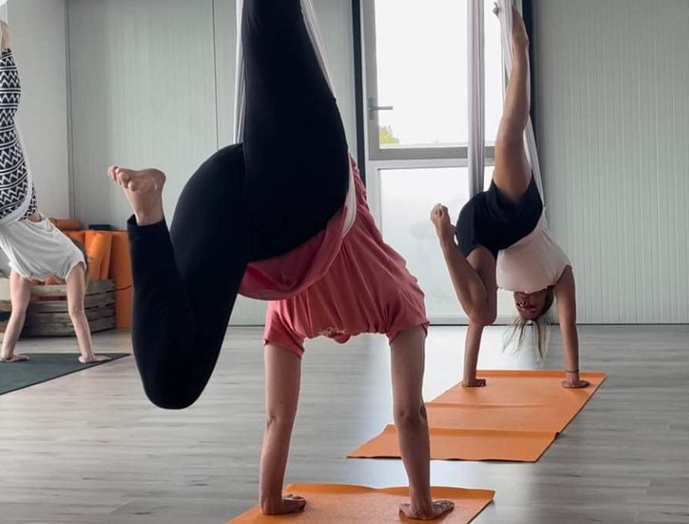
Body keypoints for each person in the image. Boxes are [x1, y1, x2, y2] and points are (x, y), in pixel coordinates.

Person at [107, 0, 452, 518]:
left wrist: (271, 500)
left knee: (171, 385)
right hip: (251, 197)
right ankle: (149, 216)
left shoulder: (339, 307)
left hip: (265, 190)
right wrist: (421, 506)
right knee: (169, 383)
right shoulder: (396, 301)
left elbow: (279, 417)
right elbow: (407, 413)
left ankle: (150, 212)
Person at [431, 7, 587, 389]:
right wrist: (572, 375)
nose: (524, 304)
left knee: (482, 314)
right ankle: (519, 43)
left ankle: (444, 240)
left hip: (481, 230)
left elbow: (476, 325)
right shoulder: (559, 274)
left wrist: (468, 378)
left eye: (521, 308)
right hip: (521, 215)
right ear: (545, 297)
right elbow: (568, 323)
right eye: (532, 306)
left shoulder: (504, 282)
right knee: (507, 140)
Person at [0, 20, 107, 365]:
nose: (49, 281)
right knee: (4, 118)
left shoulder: (29, 265)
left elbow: (21, 314)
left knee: (6, 117)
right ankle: (3, 40)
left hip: (16, 203)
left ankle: (4, 44)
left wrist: (8, 352)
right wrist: (87, 356)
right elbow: (75, 310)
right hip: (12, 205)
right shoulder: (73, 260)